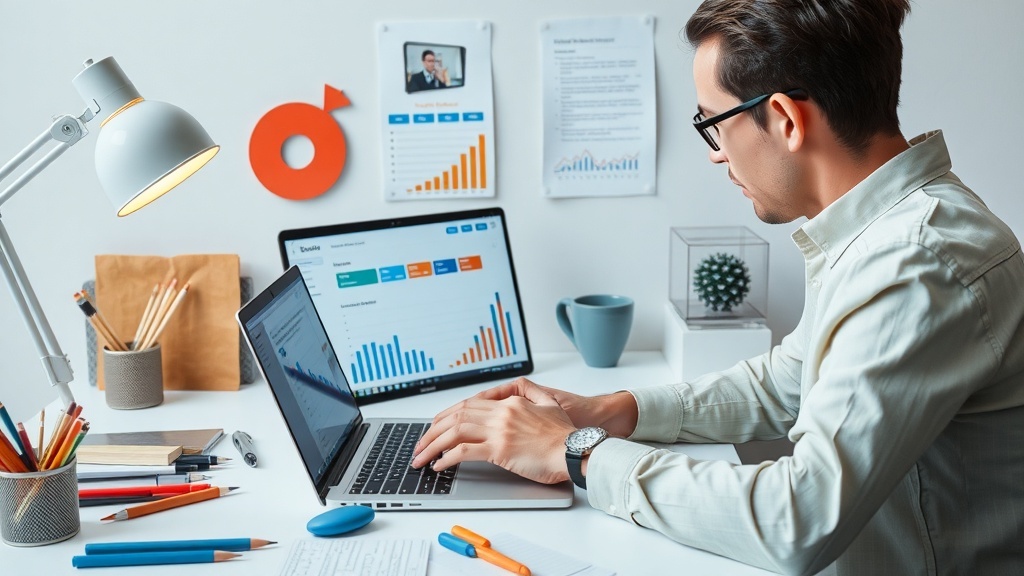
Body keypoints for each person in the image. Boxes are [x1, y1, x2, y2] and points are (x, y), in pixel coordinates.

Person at [412, 1, 1024, 574]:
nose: (715, 153)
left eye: (714, 122)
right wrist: (612, 411)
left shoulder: (916, 264)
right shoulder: (879, 233)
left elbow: (799, 517)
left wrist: (576, 452)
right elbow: (790, 379)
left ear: (783, 118)